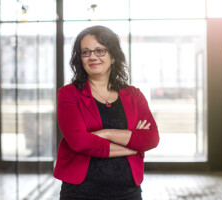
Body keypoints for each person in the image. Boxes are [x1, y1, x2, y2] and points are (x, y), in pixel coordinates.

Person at [53, 25, 159, 200]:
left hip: (128, 192)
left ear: (113, 57)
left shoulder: (134, 95)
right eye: (85, 52)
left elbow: (151, 138)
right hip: (81, 192)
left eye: (100, 50)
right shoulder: (68, 94)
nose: (92, 56)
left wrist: (106, 133)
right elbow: (79, 142)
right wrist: (131, 148)